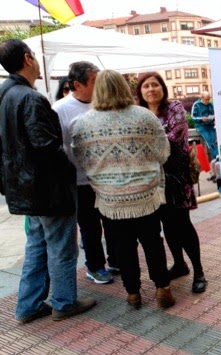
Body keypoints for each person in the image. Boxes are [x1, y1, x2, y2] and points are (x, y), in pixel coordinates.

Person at [0, 39, 96, 323]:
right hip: (47, 189)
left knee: (37, 246)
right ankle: (64, 302)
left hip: (24, 188)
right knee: (62, 247)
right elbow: (46, 147)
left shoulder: (5, 94)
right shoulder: (30, 97)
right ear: (28, 60)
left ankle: (28, 306)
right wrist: (68, 170)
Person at [72, 70, 175, 309]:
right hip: (146, 195)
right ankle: (162, 289)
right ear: (124, 87)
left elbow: (82, 160)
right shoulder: (144, 117)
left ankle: (133, 294)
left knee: (122, 246)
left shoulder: (84, 123)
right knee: (152, 242)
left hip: (110, 200)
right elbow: (163, 152)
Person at [136, 72, 207, 294]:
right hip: (152, 181)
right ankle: (179, 263)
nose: (151, 89)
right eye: (146, 86)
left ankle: (199, 271)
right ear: (140, 92)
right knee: (167, 225)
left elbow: (174, 137)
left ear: (162, 88)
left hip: (177, 178)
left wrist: (144, 142)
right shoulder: (138, 113)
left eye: (155, 85)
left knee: (183, 225)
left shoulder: (175, 108)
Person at [53, 61, 118, 285]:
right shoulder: (60, 109)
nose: (99, 85)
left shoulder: (103, 103)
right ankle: (95, 266)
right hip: (80, 181)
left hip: (107, 177)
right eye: (94, 81)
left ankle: (115, 259)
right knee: (90, 227)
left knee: (112, 221)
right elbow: (58, 147)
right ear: (78, 85)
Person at [191, 91, 218, 169]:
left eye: (209, 99)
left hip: (210, 126)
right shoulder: (196, 105)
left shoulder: (210, 105)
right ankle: (216, 161)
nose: (208, 101)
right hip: (201, 127)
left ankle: (216, 162)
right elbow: (193, 117)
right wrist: (201, 119)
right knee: (210, 143)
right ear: (202, 98)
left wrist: (214, 117)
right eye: (206, 99)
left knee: (214, 143)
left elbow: (214, 113)